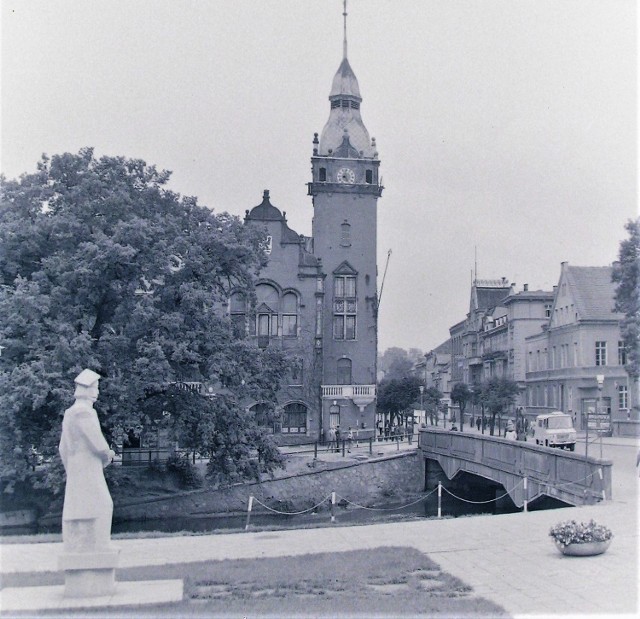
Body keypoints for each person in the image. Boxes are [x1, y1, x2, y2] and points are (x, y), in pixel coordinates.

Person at [59, 369, 116, 551]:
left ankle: (77, 543)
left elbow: (62, 447)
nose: (97, 392)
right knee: (102, 503)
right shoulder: (85, 413)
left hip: (75, 466)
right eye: (95, 388)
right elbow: (98, 444)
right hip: (88, 465)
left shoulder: (69, 413)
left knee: (78, 504)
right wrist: (108, 455)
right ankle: (98, 544)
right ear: (86, 390)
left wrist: (70, 467)